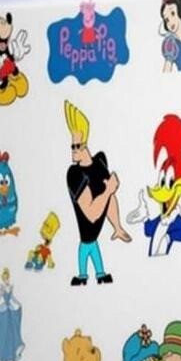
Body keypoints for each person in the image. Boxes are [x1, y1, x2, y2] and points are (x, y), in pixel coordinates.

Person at [64, 101, 131, 286]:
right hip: (88, 229)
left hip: (95, 230)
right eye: (72, 146)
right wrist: (109, 190)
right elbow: (92, 213)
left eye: (77, 146)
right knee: (87, 246)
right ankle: (84, 276)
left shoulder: (100, 161)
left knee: (91, 246)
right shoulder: (74, 174)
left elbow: (110, 199)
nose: (73, 150)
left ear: (85, 145)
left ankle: (96, 274)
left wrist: (117, 226)